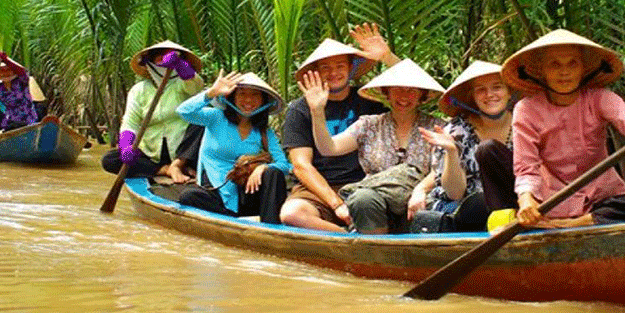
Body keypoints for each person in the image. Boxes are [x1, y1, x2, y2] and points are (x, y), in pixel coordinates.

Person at [500, 29, 625, 228]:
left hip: (600, 198)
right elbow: (526, 165)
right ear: (541, 71)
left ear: (583, 68)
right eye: (555, 64)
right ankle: (551, 221)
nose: (565, 71)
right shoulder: (526, 109)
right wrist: (526, 200)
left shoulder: (599, 97)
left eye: (573, 63)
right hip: (554, 201)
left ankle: (575, 224)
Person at [299, 59, 444, 234]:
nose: (404, 96)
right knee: (362, 198)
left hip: (419, 201)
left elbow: (440, 168)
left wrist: (421, 190)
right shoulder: (369, 124)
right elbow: (329, 148)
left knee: (435, 209)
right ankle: (374, 252)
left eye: (412, 91)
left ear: (422, 95)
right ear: (387, 93)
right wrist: (317, 112)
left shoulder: (437, 126)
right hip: (375, 204)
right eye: (397, 89)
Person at [279, 24, 401, 232]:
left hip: (367, 182)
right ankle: (349, 237)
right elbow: (301, 166)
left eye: (339, 66)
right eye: (325, 68)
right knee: (292, 214)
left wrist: (388, 57)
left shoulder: (369, 100)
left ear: (351, 68)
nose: (333, 73)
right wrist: (336, 203)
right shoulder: (299, 110)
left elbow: (412, 92)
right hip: (320, 187)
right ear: (315, 73)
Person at [414, 61, 518, 232]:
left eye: (497, 87)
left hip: (516, 205)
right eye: (481, 90)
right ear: (473, 97)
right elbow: (455, 193)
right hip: (467, 210)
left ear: (509, 92)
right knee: (481, 203)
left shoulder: (524, 121)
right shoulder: (456, 130)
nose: (489, 95)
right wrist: (451, 151)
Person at [176, 71, 291, 224]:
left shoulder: (264, 131)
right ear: (233, 96)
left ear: (263, 101)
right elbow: (184, 111)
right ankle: (235, 220)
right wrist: (211, 93)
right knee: (188, 196)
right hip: (217, 191)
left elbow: (284, 164)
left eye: (255, 95)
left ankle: (271, 226)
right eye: (242, 94)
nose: (248, 100)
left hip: (247, 192)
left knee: (273, 173)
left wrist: (261, 168)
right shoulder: (215, 117)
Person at [101, 40, 204, 181]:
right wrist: (126, 146)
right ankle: (163, 170)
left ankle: (179, 165)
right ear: (150, 62)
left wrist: (178, 64)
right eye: (160, 57)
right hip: (151, 155)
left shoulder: (183, 84)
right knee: (109, 160)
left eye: (168, 56)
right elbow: (130, 123)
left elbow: (195, 85)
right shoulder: (139, 90)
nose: (164, 60)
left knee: (201, 123)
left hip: (185, 153)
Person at [0, 52, 39, 132]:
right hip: (10, 121)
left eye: (8, 70)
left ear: (13, 71)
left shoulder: (21, 82)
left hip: (28, 119)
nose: (5, 73)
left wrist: (6, 60)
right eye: (2, 71)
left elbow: (22, 73)